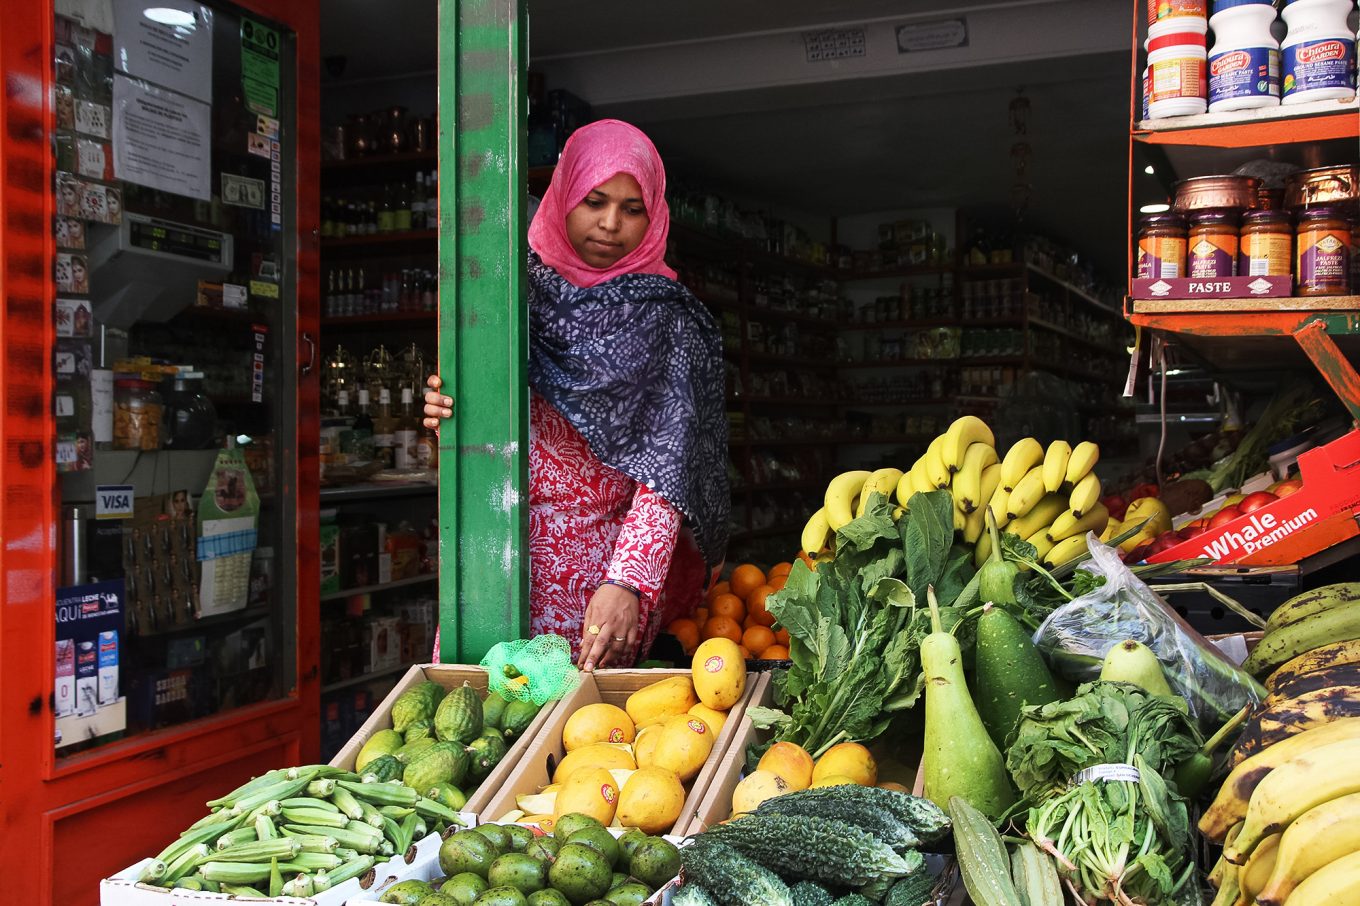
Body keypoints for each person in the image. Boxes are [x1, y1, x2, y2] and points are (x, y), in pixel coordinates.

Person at [424, 119, 728, 671]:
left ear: (654, 214)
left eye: (632, 209)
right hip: (492, 563)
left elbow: (669, 468)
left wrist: (629, 583)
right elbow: (476, 437)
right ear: (565, 195)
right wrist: (446, 417)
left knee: (580, 744)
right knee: (477, 733)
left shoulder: (666, 319)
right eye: (594, 201)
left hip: (599, 586)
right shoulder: (509, 299)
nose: (611, 224)